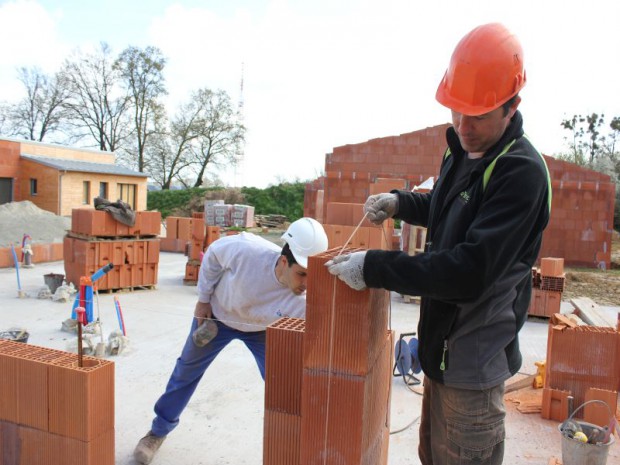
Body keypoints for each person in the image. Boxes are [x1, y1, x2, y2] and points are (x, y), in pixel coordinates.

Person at [326, 23, 551, 465]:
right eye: (456, 111)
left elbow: (466, 273)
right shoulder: (460, 149)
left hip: (473, 366)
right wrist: (400, 203)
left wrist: (375, 267)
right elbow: (448, 208)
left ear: (512, 107)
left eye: (478, 115)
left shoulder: (519, 173)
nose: (463, 126)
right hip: (441, 355)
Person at [134, 217, 328, 464]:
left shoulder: (305, 300)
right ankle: (157, 432)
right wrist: (203, 299)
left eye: (313, 276)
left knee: (283, 383)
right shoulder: (246, 252)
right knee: (185, 371)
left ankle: (295, 443)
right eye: (302, 274)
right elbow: (213, 254)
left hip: (262, 331)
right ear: (283, 261)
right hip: (217, 318)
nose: (307, 284)